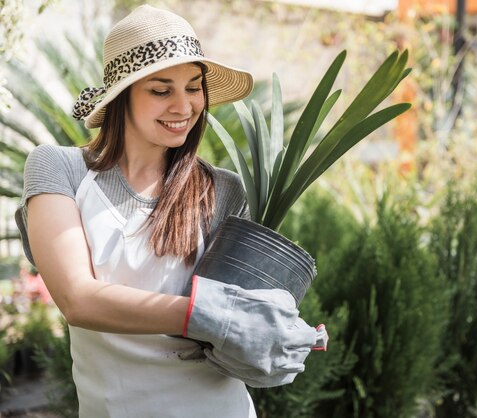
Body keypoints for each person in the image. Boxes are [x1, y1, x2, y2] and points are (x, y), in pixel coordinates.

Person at [15, 5, 326, 417]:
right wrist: (216, 315)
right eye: (161, 90)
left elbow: (240, 336)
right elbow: (78, 299)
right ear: (122, 96)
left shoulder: (223, 190)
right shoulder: (61, 169)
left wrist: (274, 333)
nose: (184, 106)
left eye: (194, 88)